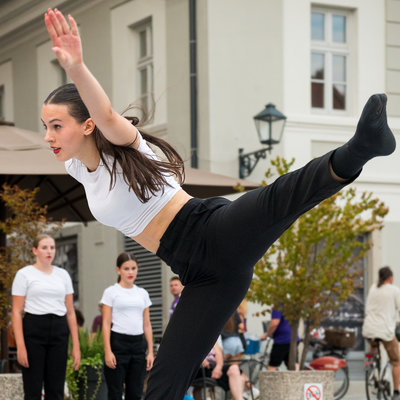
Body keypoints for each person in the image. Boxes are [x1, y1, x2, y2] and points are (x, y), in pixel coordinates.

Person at [43, 9, 396, 399]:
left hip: (212, 229)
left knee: (283, 196)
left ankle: (362, 147)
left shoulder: (129, 146)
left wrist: (75, 67)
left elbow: (107, 113)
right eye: (46, 126)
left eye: (56, 126)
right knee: (163, 383)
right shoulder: (76, 167)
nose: (48, 136)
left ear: (87, 124)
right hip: (201, 277)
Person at [11, 233, 80, 400]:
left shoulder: (63, 275)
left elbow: (70, 312)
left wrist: (76, 346)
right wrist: (20, 346)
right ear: (35, 250)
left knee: (56, 389)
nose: (49, 251)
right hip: (34, 329)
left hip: (59, 330)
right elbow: (16, 311)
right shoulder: (24, 274)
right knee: (33, 388)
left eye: (52, 247)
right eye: (44, 247)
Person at [101, 252, 154, 400]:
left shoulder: (142, 293)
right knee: (115, 392)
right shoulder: (111, 292)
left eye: (133, 268)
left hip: (138, 345)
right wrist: (108, 351)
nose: (130, 272)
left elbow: (147, 324)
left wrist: (150, 351)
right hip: (118, 344)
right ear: (118, 270)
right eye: (126, 268)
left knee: (136, 393)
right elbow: (106, 323)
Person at [362, 266, 400, 400]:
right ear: (390, 277)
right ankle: (396, 392)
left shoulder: (373, 288)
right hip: (385, 331)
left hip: (369, 329)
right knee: (396, 361)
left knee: (373, 345)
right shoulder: (394, 290)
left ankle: (371, 365)